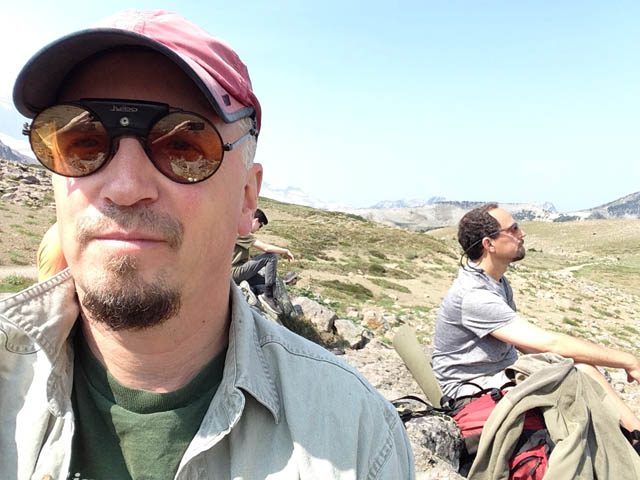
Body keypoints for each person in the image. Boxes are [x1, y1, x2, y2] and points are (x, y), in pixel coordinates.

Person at [1, 10, 414, 479]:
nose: (124, 185)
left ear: (246, 197)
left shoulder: (355, 436)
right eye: (82, 141)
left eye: (184, 148)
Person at [432, 203, 640, 435]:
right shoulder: (474, 295)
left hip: (498, 377)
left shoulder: (496, 281)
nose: (522, 234)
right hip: (472, 393)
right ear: (488, 244)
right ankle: (635, 438)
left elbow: (527, 345)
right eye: (513, 229)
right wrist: (628, 360)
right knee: (581, 370)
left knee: (574, 368)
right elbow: (550, 343)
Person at [232, 208, 294, 314]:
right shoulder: (241, 233)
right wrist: (285, 250)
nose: (259, 229)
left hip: (237, 271)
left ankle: (253, 291)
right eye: (260, 225)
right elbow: (266, 248)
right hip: (234, 272)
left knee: (267, 283)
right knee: (271, 257)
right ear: (255, 220)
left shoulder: (238, 230)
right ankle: (268, 297)